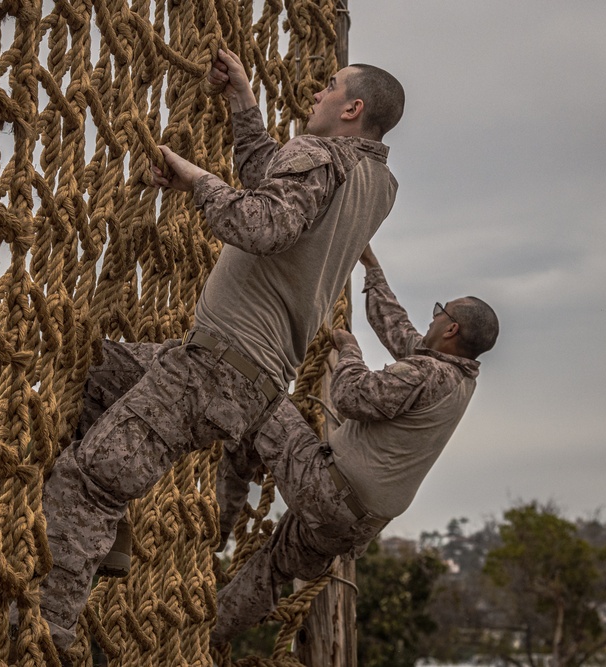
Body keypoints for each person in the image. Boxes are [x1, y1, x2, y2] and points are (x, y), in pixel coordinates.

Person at [39, 47, 405, 654]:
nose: (317, 93)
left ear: (353, 107)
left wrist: (194, 179)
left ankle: (53, 635)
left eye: (330, 87)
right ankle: (110, 539)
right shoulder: (376, 182)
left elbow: (263, 226)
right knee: (99, 375)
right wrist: (241, 100)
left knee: (90, 481)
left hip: (217, 367)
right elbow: (277, 181)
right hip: (243, 375)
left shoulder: (321, 158)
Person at [209, 244, 500, 647]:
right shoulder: (457, 379)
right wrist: (372, 268)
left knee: (256, 397)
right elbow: (398, 330)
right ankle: (207, 636)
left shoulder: (426, 374)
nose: (433, 316)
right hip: (353, 527)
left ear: (451, 329)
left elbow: (350, 398)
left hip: (328, 489)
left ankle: (213, 531)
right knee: (271, 572)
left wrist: (349, 350)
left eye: (440, 311)